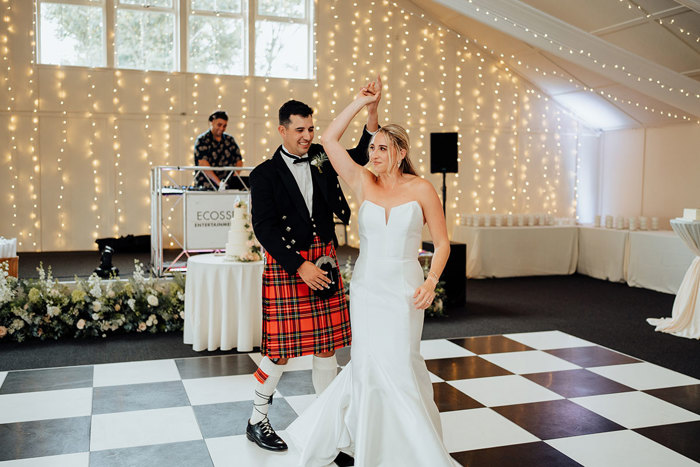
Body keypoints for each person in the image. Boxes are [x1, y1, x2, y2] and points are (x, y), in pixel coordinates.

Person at [286, 77, 455, 466]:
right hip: (366, 287)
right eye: (372, 147)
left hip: (404, 288)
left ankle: (413, 449)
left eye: (381, 148)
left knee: (400, 363)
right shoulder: (363, 181)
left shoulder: (423, 189)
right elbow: (328, 139)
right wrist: (362, 103)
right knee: (366, 365)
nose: (373, 153)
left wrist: (431, 281)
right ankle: (368, 441)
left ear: (399, 152)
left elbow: (442, 244)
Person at [246, 84, 381, 452]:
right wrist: (299, 265)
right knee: (280, 351)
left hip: (323, 256)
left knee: (328, 346)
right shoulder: (264, 175)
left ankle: (327, 427)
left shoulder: (321, 156)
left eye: (310, 129)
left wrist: (370, 111)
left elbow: (357, 153)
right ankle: (257, 419)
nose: (307, 136)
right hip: (290, 262)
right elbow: (265, 229)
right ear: (282, 130)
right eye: (300, 130)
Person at [193, 110, 243, 189]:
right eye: (219, 125)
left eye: (224, 126)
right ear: (212, 122)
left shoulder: (230, 140)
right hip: (206, 187)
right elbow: (203, 163)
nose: (222, 128)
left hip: (228, 187)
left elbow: (239, 161)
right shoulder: (202, 140)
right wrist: (219, 183)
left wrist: (233, 179)